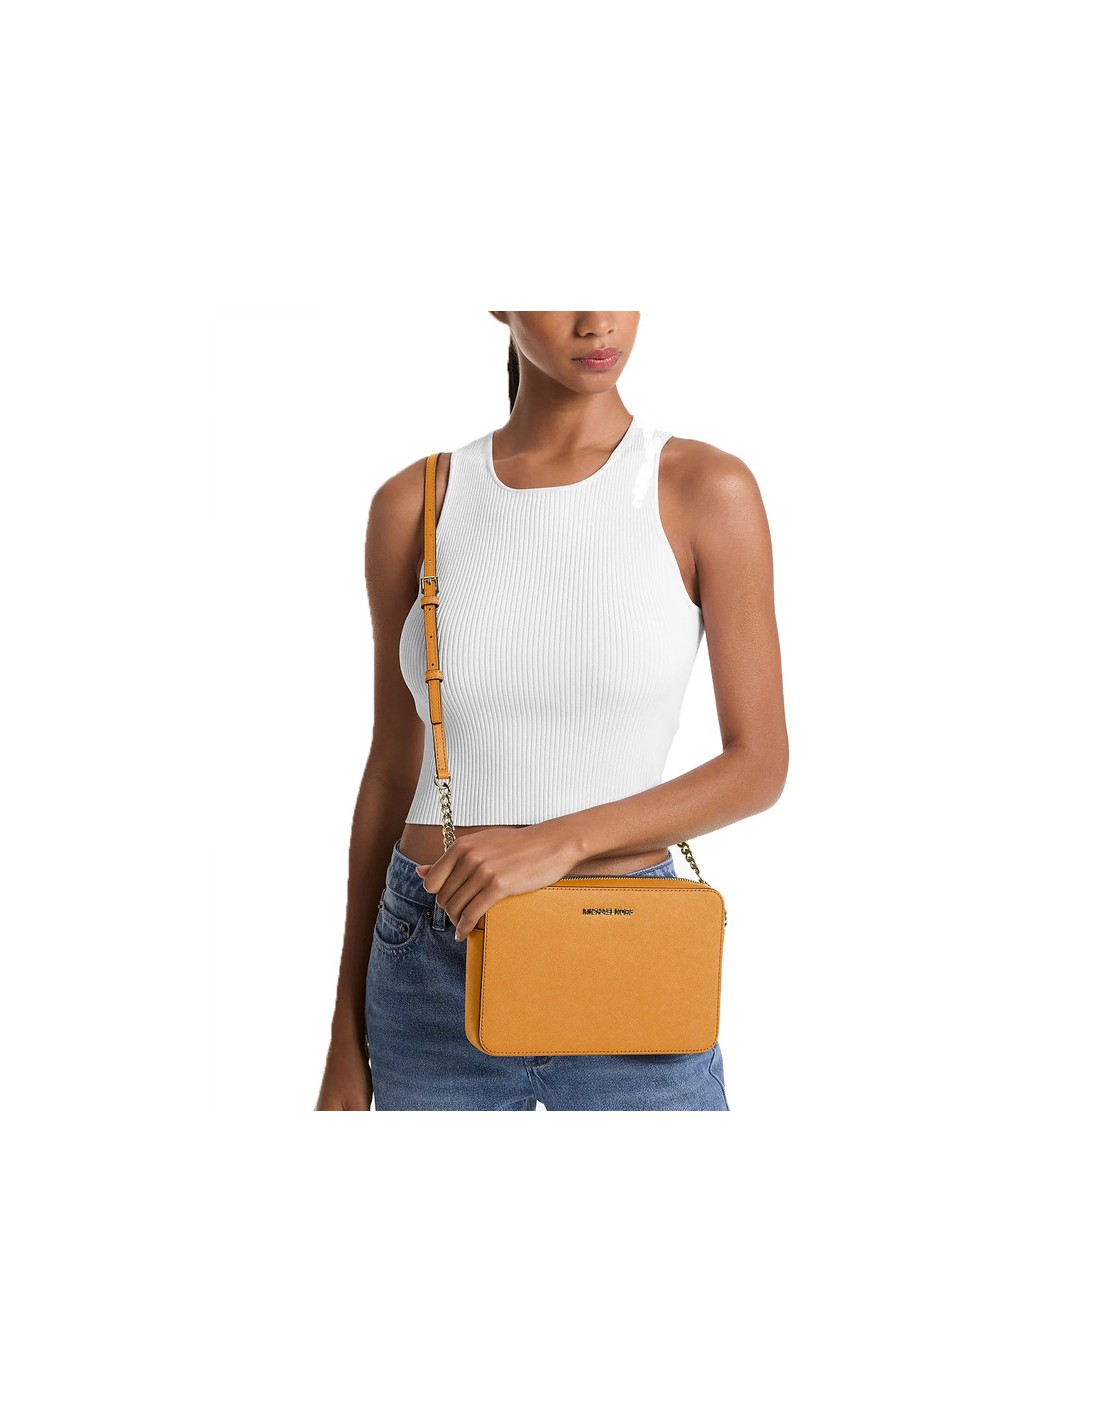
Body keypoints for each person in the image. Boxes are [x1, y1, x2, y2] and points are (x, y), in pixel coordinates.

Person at [315, 311, 788, 1111]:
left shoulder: (705, 488)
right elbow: (394, 769)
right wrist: (343, 1037)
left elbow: (759, 764)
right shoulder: (418, 502)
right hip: (430, 962)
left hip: (628, 951)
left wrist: (556, 843)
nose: (596, 321)